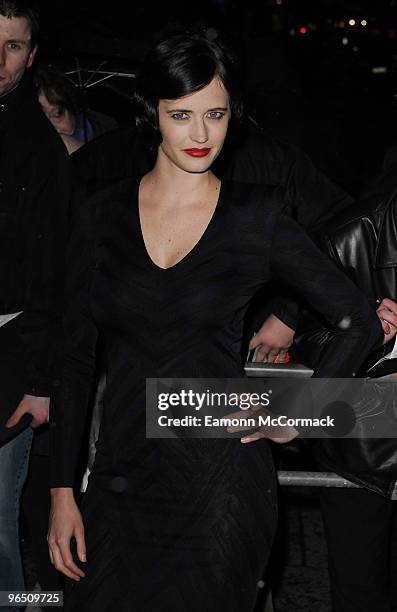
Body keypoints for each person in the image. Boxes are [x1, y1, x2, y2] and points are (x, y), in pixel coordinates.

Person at [48, 30, 382, 612]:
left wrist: (297, 419)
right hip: (122, 476)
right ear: (151, 114)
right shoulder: (100, 213)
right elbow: (75, 360)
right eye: (182, 114)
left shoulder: (257, 215)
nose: (201, 134)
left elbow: (357, 319)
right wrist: (60, 491)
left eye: (216, 115)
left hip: (221, 480)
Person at [292, 186, 397, 612]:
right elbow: (304, 338)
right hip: (360, 449)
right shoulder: (351, 236)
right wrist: (364, 335)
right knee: (361, 593)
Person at [0, 0, 70, 604]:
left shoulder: (39, 147)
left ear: (32, 54)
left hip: (8, 355)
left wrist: (40, 381)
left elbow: (55, 278)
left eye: (14, 46)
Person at [34, 64, 118, 154]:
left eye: (57, 114)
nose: (51, 129)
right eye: (39, 120)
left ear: (71, 107)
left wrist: (84, 155)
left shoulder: (108, 132)